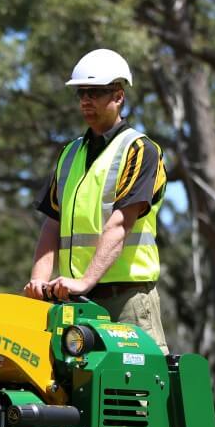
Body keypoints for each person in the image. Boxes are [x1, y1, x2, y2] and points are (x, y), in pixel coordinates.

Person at [23, 48, 170, 354]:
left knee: (137, 396)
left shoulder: (140, 150)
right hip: (76, 302)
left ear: (118, 97)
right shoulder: (70, 154)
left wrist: (85, 280)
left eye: (95, 92)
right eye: (81, 93)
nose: (85, 100)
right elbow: (52, 224)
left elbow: (121, 223)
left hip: (126, 300)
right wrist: (38, 281)